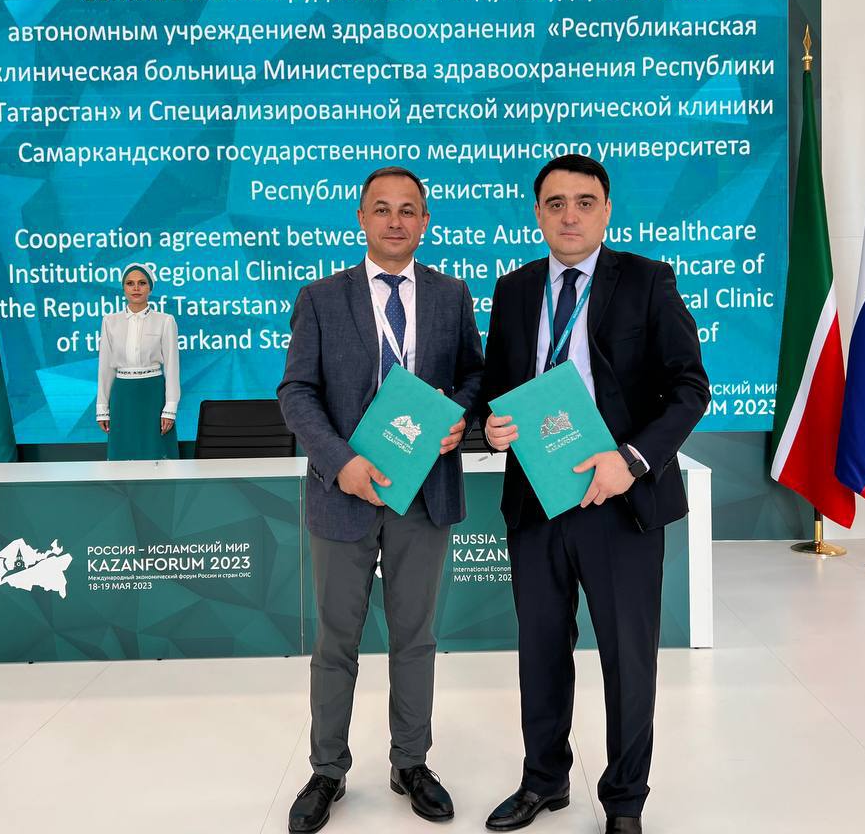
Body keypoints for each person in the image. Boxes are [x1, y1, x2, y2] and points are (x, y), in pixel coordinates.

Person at [479, 154, 710, 834]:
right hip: (536, 499)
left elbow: (690, 388)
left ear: (607, 210)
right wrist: (491, 425)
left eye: (585, 202)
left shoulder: (646, 280)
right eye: (555, 203)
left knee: (627, 658)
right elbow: (498, 387)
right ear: (537, 214)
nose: (570, 215)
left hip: (621, 501)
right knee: (541, 650)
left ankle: (625, 801)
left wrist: (630, 460)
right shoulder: (514, 289)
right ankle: (544, 780)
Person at [277, 165, 485, 833]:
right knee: (336, 640)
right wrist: (341, 463)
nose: (395, 221)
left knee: (415, 636)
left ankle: (411, 762)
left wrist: (457, 414)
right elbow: (296, 392)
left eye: (408, 210)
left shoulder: (451, 295)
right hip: (345, 493)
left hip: (424, 492)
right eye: (382, 209)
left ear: (425, 222)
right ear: (361, 218)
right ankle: (327, 770)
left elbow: (474, 374)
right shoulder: (321, 297)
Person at [96, 263, 180, 461]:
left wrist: (170, 407)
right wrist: (102, 408)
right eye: (130, 283)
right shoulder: (110, 321)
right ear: (123, 288)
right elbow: (105, 367)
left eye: (142, 283)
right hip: (122, 395)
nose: (136, 288)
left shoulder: (165, 320)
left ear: (150, 287)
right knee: (123, 455)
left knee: (156, 452)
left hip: (153, 393)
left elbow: (172, 367)